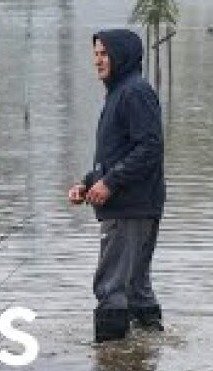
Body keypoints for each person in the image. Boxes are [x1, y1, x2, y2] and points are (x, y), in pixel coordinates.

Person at [68, 29, 166, 343]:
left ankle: (111, 368)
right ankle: (145, 357)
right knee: (136, 287)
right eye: (95, 54)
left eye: (104, 54)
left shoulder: (133, 92)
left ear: (121, 56)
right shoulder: (120, 93)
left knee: (111, 287)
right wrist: (87, 184)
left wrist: (110, 183)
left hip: (129, 206)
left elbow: (150, 147)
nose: (97, 60)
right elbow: (119, 152)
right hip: (135, 203)